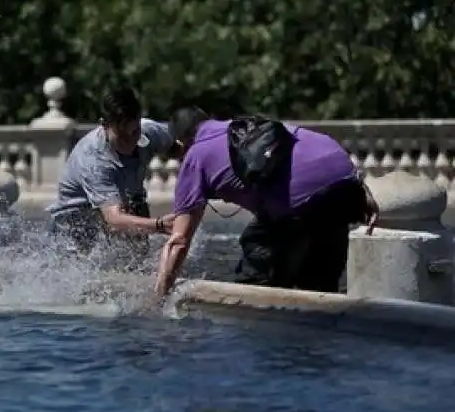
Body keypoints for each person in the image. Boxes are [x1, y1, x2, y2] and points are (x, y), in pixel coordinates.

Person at [154, 106, 379, 298]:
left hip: (301, 204)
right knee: (319, 291)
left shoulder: (195, 157)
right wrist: (360, 187)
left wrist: (159, 298)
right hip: (345, 187)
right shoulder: (249, 125)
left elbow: (179, 242)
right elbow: (314, 147)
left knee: (254, 287)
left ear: (180, 143)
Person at [45, 86, 185, 267]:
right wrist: (159, 225)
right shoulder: (93, 159)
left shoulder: (149, 130)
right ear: (104, 124)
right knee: (80, 272)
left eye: (135, 132)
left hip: (129, 200)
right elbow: (114, 219)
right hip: (78, 217)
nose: (131, 142)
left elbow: (181, 146)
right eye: (122, 136)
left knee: (138, 263)